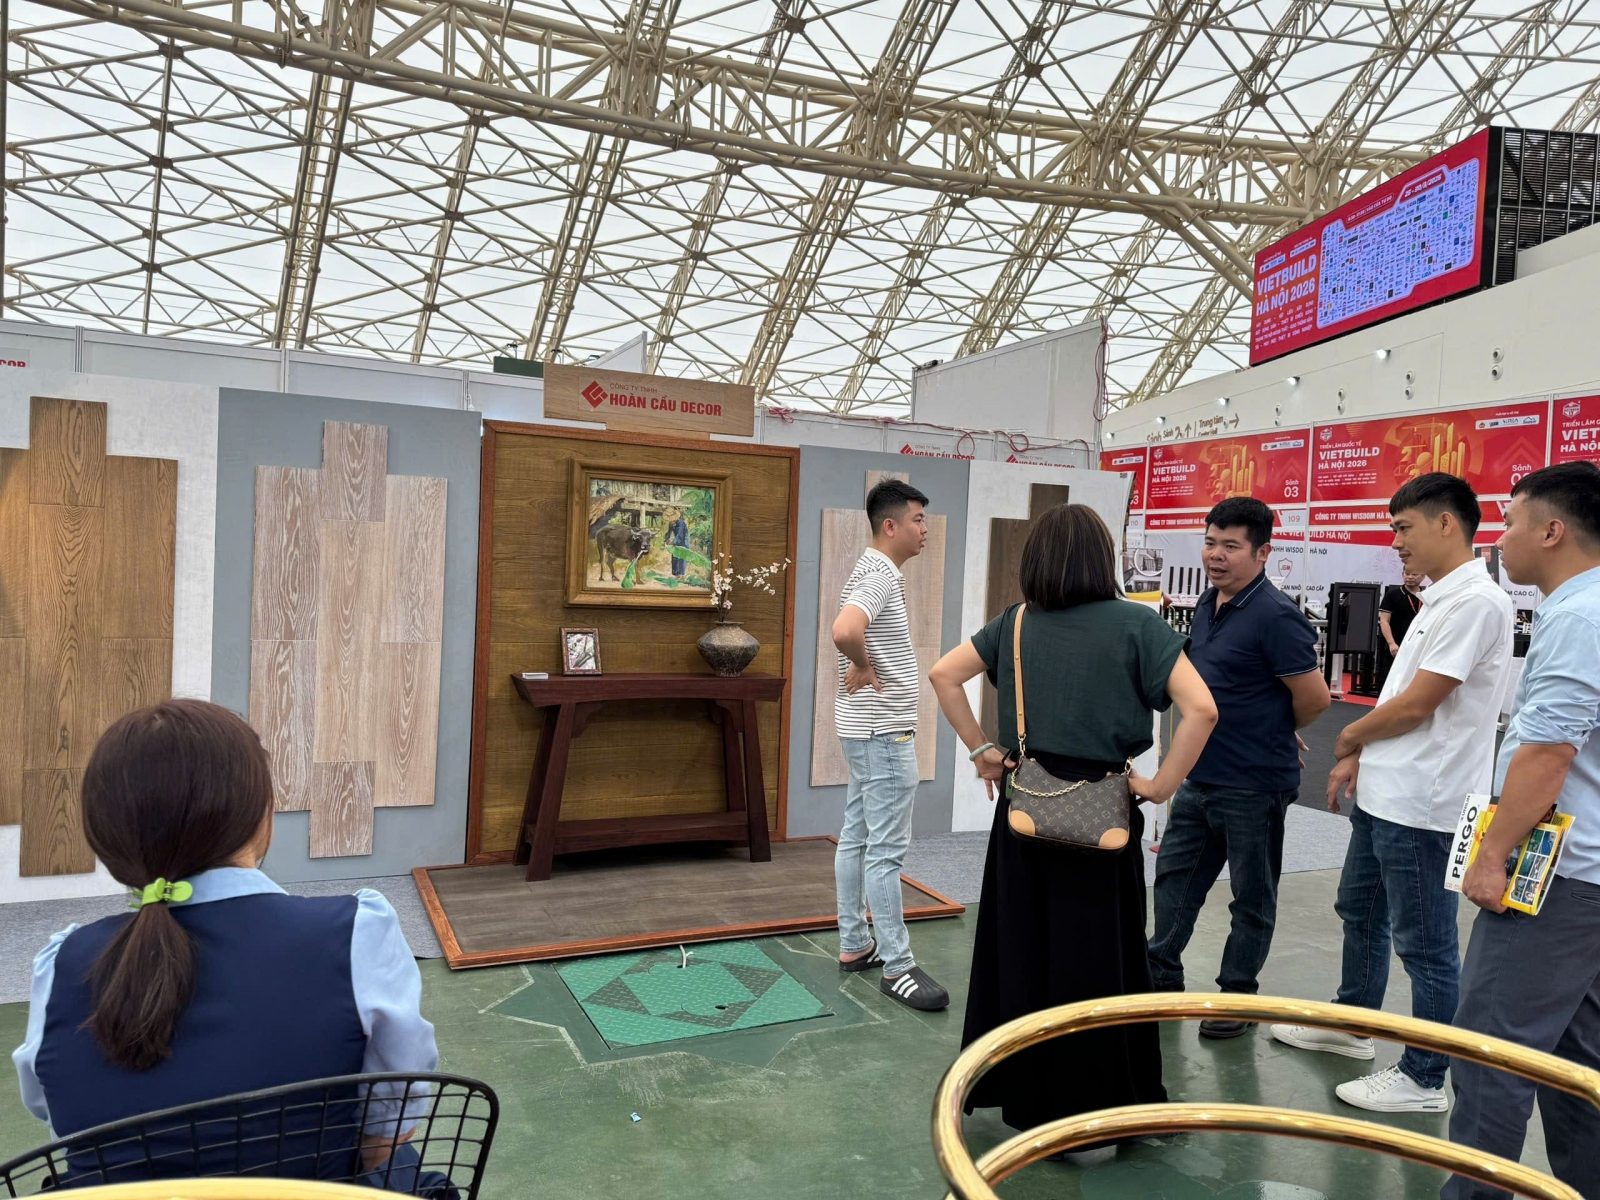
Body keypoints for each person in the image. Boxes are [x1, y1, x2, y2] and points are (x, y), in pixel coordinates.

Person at [11, 700, 443, 1192]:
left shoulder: (61, 964)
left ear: (105, 836)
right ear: (261, 814)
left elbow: (63, 1122)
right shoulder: (355, 933)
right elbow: (388, 1127)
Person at [928, 503, 1217, 1161]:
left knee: (1022, 951)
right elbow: (1202, 708)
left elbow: (943, 675)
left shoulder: (1015, 623)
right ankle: (1099, 1113)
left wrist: (982, 749)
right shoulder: (1138, 625)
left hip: (1025, 812)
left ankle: (1027, 1100)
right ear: (1102, 559)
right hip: (1103, 817)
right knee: (1100, 960)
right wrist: (1161, 785)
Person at [1271, 473, 1513, 1115]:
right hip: (1388, 794)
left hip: (1425, 806)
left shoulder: (1477, 603)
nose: (1396, 541)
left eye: (1404, 528)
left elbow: (1416, 706)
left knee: (1426, 945)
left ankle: (1425, 1078)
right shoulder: (1439, 598)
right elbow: (1403, 698)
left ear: (1445, 523)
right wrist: (1360, 756)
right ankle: (1355, 1023)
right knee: (1361, 910)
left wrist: (1348, 737)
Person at [1445, 461, 1600, 1199]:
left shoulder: (1577, 616)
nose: (1499, 539)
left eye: (1509, 523)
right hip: (1590, 878)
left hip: (1558, 879)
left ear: (1552, 530)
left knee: (1491, 1056)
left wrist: (1493, 854)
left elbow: (1548, 752)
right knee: (1577, 1063)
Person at [1146, 497, 1329, 1038]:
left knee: (1251, 895)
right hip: (1200, 775)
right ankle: (1161, 976)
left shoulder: (1277, 616)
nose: (1216, 555)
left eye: (1231, 546)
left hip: (1253, 783)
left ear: (1263, 552)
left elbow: (1315, 698)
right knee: (1174, 882)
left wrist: (1276, 726)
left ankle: (1236, 996)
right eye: (1210, 543)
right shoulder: (1208, 603)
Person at [831, 479, 944, 1009]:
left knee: (856, 838)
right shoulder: (878, 574)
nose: (925, 530)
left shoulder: (871, 570)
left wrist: (862, 661)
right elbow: (845, 630)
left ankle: (855, 942)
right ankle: (898, 966)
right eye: (918, 520)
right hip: (883, 733)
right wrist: (861, 663)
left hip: (863, 730)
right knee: (884, 853)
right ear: (891, 525)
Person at [1377, 567, 1425, 685]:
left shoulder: (1426, 595)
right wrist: (1391, 643)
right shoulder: (1392, 595)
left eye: (1414, 574)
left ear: (1423, 576)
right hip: (1396, 645)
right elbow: (1384, 621)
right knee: (1391, 679)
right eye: (1407, 574)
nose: (1410, 577)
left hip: (1419, 644)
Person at [665, 506, 689, 578]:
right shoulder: (671, 523)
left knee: (681, 559)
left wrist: (673, 542)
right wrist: (666, 539)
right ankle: (676, 574)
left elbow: (679, 535)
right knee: (675, 557)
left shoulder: (681, 523)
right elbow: (669, 532)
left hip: (683, 542)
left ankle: (682, 575)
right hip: (676, 543)